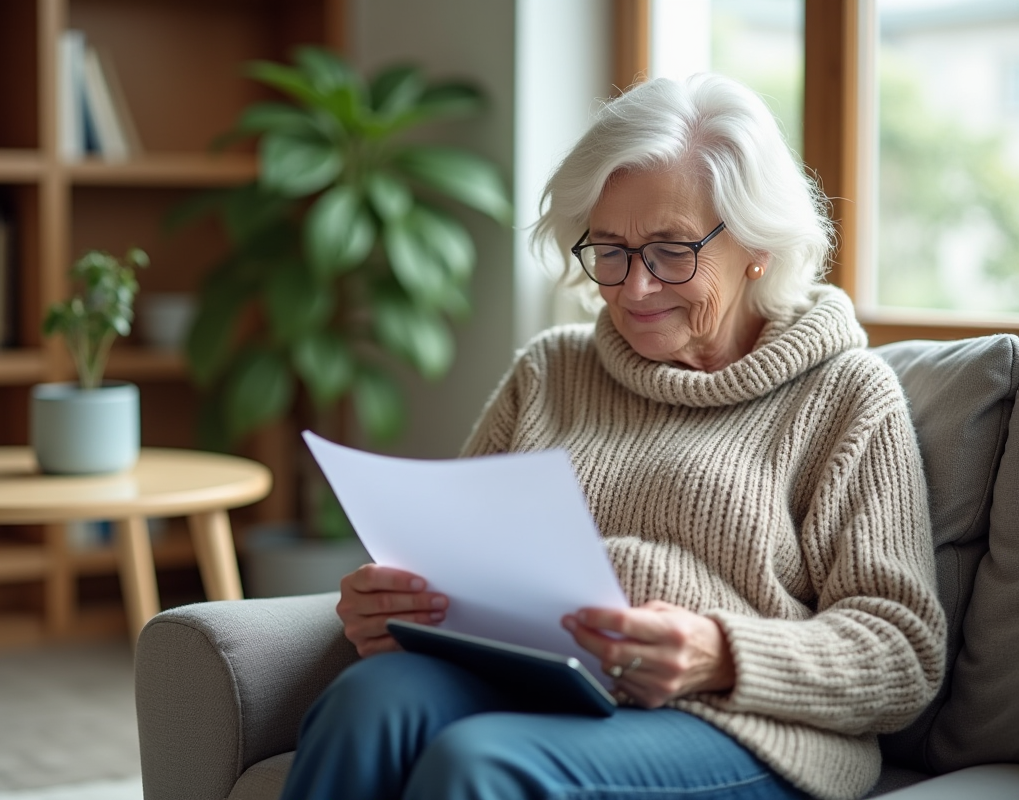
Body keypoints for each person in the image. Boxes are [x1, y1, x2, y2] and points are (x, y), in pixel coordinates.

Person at [279, 73, 946, 800]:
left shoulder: (845, 395)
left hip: (739, 723)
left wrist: (719, 652)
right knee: (367, 702)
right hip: (540, 683)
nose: (634, 288)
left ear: (757, 245)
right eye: (609, 249)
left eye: (669, 250)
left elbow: (904, 651)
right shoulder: (549, 369)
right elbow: (459, 566)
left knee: (482, 763)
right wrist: (401, 608)